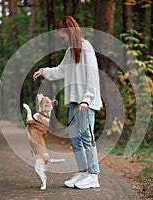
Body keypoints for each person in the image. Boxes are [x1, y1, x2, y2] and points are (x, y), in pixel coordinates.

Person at [32, 16, 103, 189]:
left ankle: (93, 175)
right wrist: (43, 71)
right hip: (73, 102)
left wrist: (86, 100)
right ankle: (83, 172)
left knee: (87, 137)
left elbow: (93, 78)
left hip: (86, 102)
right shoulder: (71, 50)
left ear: (69, 32)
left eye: (62, 35)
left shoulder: (86, 48)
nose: (61, 38)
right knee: (74, 138)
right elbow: (61, 70)